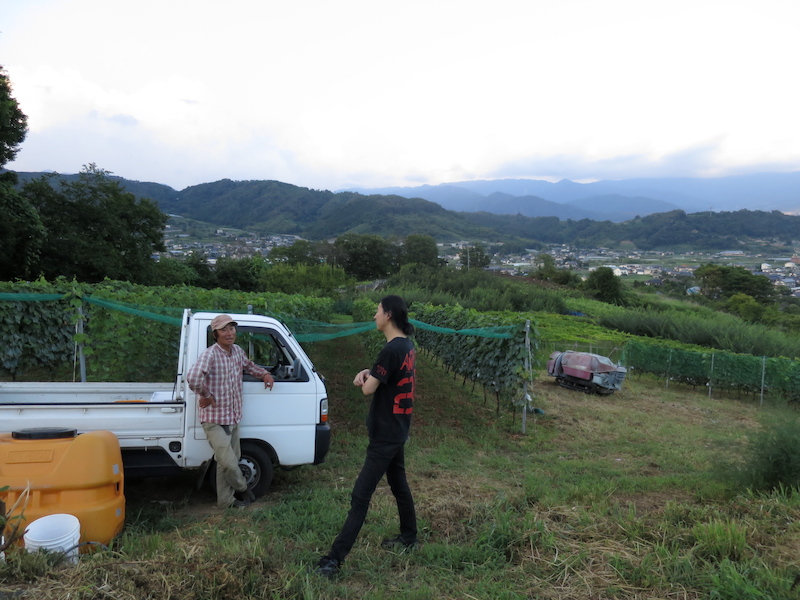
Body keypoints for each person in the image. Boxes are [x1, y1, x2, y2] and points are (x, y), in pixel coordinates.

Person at [315, 295, 418, 579]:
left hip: (385, 435)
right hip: (398, 429)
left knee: (360, 495)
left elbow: (367, 389)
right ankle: (409, 537)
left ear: (388, 315)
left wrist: (365, 378)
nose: (374, 316)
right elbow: (385, 377)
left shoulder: (391, 349)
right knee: (399, 485)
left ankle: (333, 559)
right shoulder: (406, 346)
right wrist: (368, 373)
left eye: (377, 311)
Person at [186, 314, 275, 508]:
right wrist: (206, 395)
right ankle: (243, 488)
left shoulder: (237, 352)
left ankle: (225, 501)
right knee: (229, 462)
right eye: (224, 330)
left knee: (223, 462)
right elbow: (193, 377)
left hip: (233, 417)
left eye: (232, 328)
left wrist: (265, 374)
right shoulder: (211, 354)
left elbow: (249, 366)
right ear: (215, 334)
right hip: (214, 419)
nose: (229, 333)